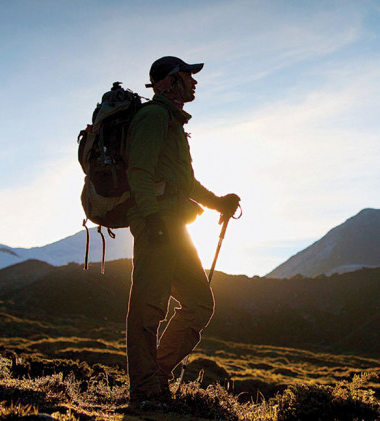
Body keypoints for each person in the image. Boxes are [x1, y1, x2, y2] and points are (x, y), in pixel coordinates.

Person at [125, 56, 240, 404]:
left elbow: (184, 183)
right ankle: (145, 391)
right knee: (148, 308)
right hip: (157, 226)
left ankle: (156, 379)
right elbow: (139, 172)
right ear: (169, 82)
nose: (194, 81)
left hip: (174, 227)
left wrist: (219, 203)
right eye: (187, 75)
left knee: (200, 304)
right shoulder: (153, 117)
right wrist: (153, 219)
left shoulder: (172, 124)